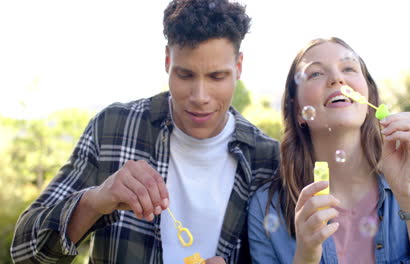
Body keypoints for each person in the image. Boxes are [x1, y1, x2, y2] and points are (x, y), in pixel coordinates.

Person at [10, 0, 279, 263]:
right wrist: (95, 202)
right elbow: (25, 252)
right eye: (185, 75)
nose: (200, 96)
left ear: (239, 67)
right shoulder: (113, 128)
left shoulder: (267, 159)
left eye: (216, 77)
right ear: (167, 61)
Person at [248, 37, 410, 263]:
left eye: (349, 68)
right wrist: (305, 257)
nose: (337, 78)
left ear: (369, 96)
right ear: (297, 111)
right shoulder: (267, 208)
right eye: (315, 73)